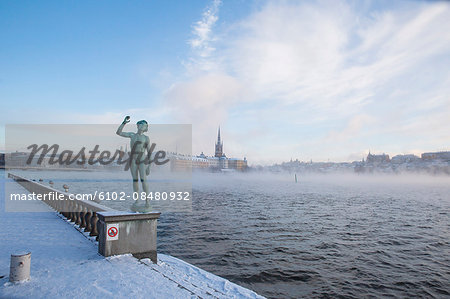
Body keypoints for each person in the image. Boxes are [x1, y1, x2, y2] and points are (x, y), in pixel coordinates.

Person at [116, 116, 151, 206]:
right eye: (141, 125)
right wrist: (123, 123)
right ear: (138, 126)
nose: (142, 127)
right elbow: (118, 132)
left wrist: (149, 166)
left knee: (143, 180)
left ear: (145, 128)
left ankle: (147, 201)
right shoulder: (132, 135)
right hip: (133, 159)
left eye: (144, 126)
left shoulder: (146, 138)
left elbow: (149, 152)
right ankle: (137, 201)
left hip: (142, 158)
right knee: (135, 180)